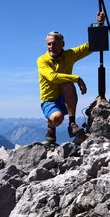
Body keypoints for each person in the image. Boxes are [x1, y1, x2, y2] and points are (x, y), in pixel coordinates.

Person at [37, 12, 105, 144]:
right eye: (49, 44)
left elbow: (91, 46)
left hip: (64, 98)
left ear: (62, 44)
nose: (51, 47)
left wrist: (100, 24)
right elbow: (52, 77)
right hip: (49, 101)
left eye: (55, 43)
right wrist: (76, 78)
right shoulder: (42, 60)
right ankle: (51, 126)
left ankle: (72, 124)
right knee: (57, 117)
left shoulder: (69, 55)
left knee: (66, 84)